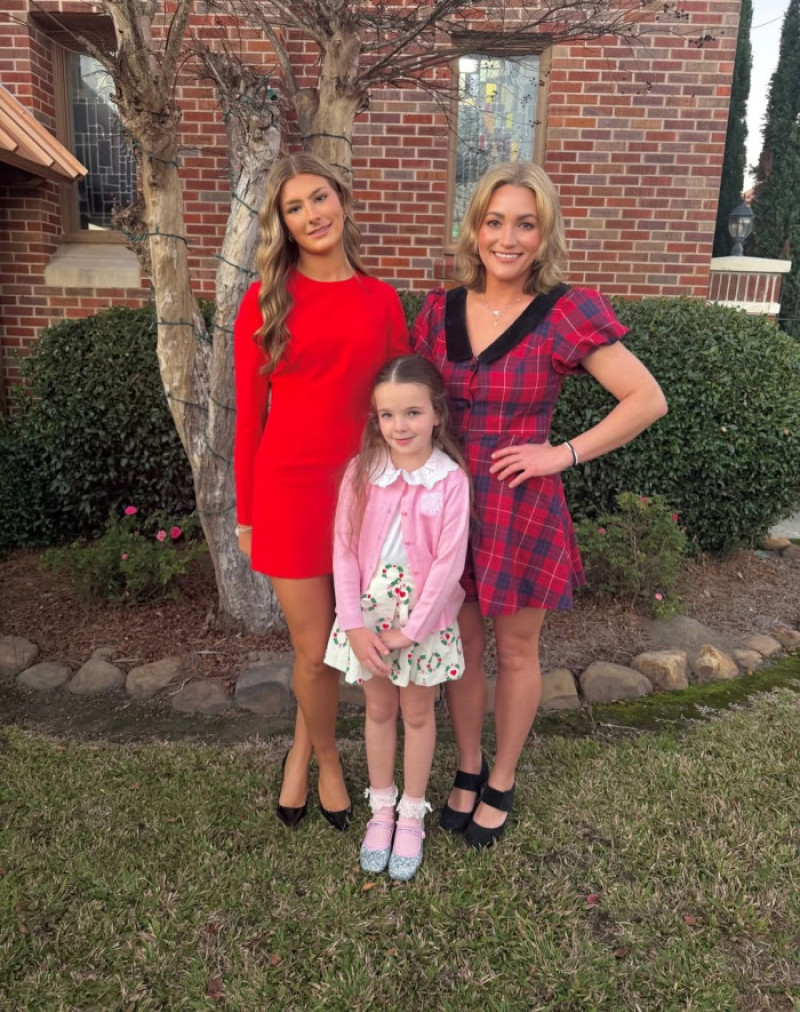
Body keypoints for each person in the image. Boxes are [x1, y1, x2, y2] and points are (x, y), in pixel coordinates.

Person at [411, 162, 668, 848]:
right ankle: (468, 768)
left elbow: (646, 399)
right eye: (495, 221)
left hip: (519, 506)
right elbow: (412, 408)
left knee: (518, 651)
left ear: (544, 234)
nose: (508, 238)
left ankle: (503, 778)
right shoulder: (437, 310)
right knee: (462, 647)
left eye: (525, 224)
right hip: (447, 505)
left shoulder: (565, 310)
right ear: (475, 228)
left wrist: (561, 454)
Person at [234, 153, 410, 832]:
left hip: (365, 493)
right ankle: (327, 761)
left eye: (319, 198)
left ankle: (302, 751)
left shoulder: (380, 299)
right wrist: (247, 514)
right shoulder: (266, 299)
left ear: (341, 201)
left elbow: (399, 406)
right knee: (312, 649)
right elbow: (250, 416)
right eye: (295, 207)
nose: (312, 215)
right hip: (290, 493)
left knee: (344, 638)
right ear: (283, 224)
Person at [324, 355, 471, 880]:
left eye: (412, 412)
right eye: (387, 415)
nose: (399, 426)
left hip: (421, 621)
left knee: (418, 713)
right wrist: (354, 624)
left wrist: (411, 630)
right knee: (380, 709)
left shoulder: (450, 481)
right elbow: (343, 550)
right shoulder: (362, 472)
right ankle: (381, 808)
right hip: (368, 618)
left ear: (437, 414)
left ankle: (411, 814)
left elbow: (449, 563)